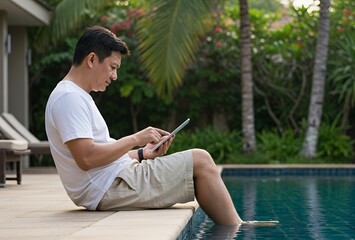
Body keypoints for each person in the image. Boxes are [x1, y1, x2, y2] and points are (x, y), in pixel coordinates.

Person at [45, 25, 242, 225]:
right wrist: (135, 139)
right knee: (201, 160)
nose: (115, 76)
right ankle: (238, 231)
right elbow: (86, 158)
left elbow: (97, 155)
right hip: (109, 187)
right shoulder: (69, 98)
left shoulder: (75, 96)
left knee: (199, 165)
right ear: (92, 59)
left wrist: (140, 154)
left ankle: (235, 228)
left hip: (113, 181)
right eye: (113, 67)